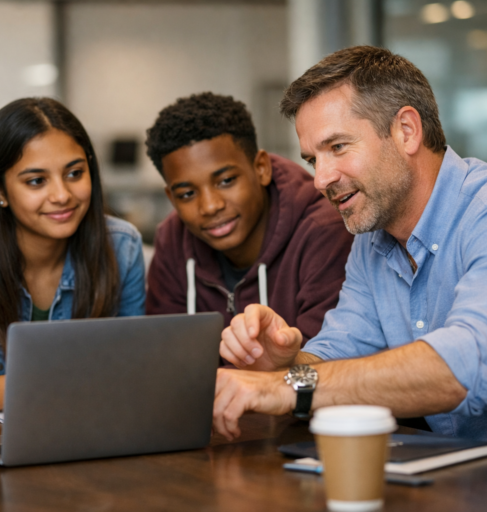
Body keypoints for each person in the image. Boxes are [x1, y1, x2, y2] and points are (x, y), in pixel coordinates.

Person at [213, 46, 487, 455]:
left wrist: (285, 387)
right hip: (460, 480)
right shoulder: (371, 241)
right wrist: (283, 363)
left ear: (406, 130)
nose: (320, 179)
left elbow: (471, 364)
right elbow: (338, 357)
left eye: (337, 147)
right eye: (312, 159)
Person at [0, 98, 146, 417]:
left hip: (91, 428)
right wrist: (49, 385)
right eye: (36, 181)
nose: (62, 195)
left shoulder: (121, 245)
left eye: (74, 173)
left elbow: (136, 367)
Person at [144, 92, 353, 342]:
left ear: (261, 168)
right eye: (187, 194)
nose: (210, 206)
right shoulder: (172, 241)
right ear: (171, 198)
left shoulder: (323, 230)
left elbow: (322, 361)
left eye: (226, 180)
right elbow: (168, 354)